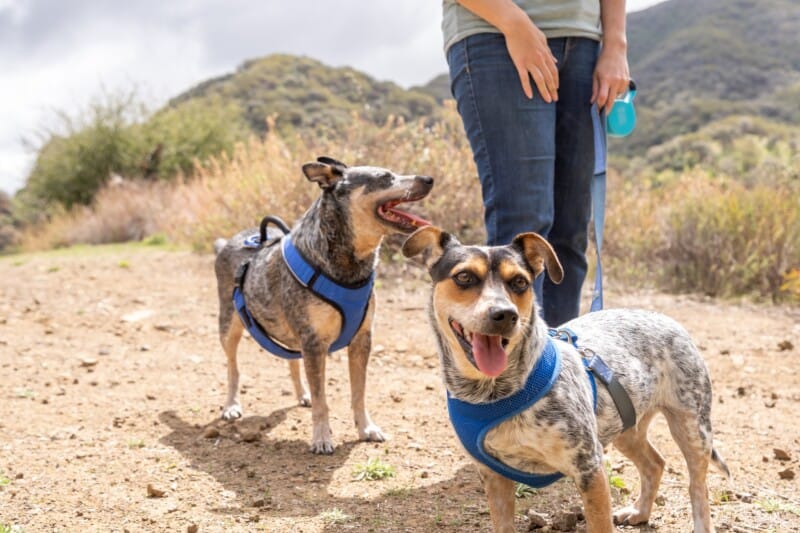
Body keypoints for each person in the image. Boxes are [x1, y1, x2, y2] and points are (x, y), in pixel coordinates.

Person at [443, 0, 629, 326]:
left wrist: (616, 44)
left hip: (586, 42)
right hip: (495, 33)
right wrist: (512, 21)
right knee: (523, 225)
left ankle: (557, 368)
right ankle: (513, 371)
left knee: (569, 233)